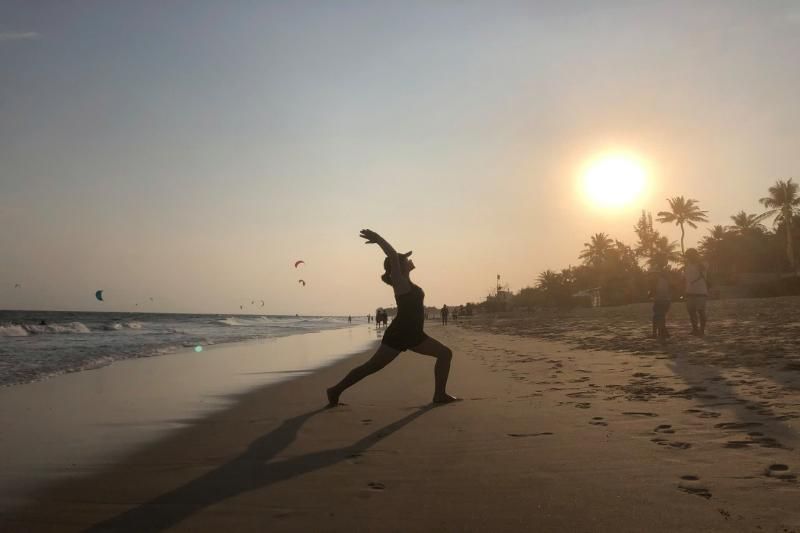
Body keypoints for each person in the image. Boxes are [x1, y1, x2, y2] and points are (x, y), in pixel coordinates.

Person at [327, 229, 458, 406]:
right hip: (400, 334)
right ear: (398, 265)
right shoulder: (400, 282)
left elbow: (395, 259)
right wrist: (378, 239)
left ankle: (439, 395)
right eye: (406, 259)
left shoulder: (407, 282)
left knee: (445, 354)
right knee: (372, 367)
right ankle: (335, 390)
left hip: (414, 334)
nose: (410, 260)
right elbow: (392, 255)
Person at [683, 248, 709, 336]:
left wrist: (697, 262)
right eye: (688, 256)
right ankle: (695, 329)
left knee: (701, 311)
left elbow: (703, 268)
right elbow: (686, 278)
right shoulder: (687, 265)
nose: (689, 257)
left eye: (690, 255)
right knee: (691, 312)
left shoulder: (702, 264)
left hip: (701, 292)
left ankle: (702, 330)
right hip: (689, 291)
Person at [648, 269, 672, 340]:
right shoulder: (665, 280)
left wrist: (649, 295)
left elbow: (653, 292)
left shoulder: (656, 281)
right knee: (661, 317)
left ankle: (657, 333)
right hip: (666, 301)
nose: (652, 275)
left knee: (656, 317)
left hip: (660, 301)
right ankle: (662, 332)